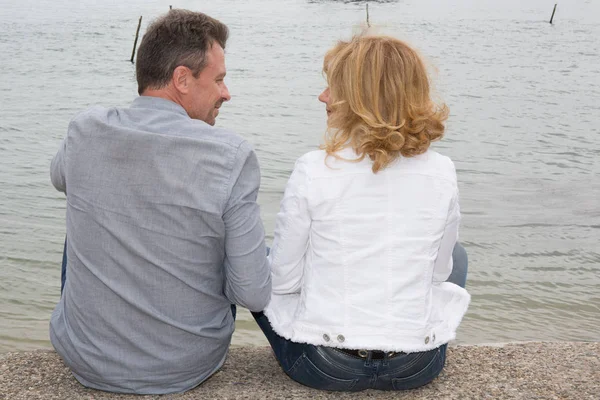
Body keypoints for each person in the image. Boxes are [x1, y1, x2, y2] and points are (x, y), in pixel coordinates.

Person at [49, 10, 271, 395]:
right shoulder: (231, 155)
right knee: (232, 243)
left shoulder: (85, 128)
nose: (226, 93)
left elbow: (59, 178)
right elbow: (252, 294)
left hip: (85, 360)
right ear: (182, 79)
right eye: (218, 79)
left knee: (89, 209)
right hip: (186, 365)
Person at [252, 35, 471, 391]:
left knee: (259, 259)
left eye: (332, 87)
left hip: (325, 366)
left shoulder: (314, 168)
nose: (322, 97)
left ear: (361, 98)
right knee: (457, 256)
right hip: (416, 364)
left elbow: (284, 283)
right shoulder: (442, 170)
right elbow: (440, 273)